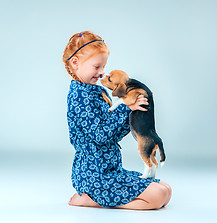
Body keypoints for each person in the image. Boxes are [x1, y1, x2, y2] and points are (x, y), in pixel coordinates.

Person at [62, 31, 171, 210]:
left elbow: (112, 135)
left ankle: (103, 198)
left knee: (166, 191)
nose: (102, 72)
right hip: (94, 175)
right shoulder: (80, 96)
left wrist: (135, 112)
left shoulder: (98, 92)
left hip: (110, 169)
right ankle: (91, 198)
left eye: (103, 66)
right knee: (158, 196)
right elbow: (100, 135)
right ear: (75, 63)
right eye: (97, 66)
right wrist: (126, 107)